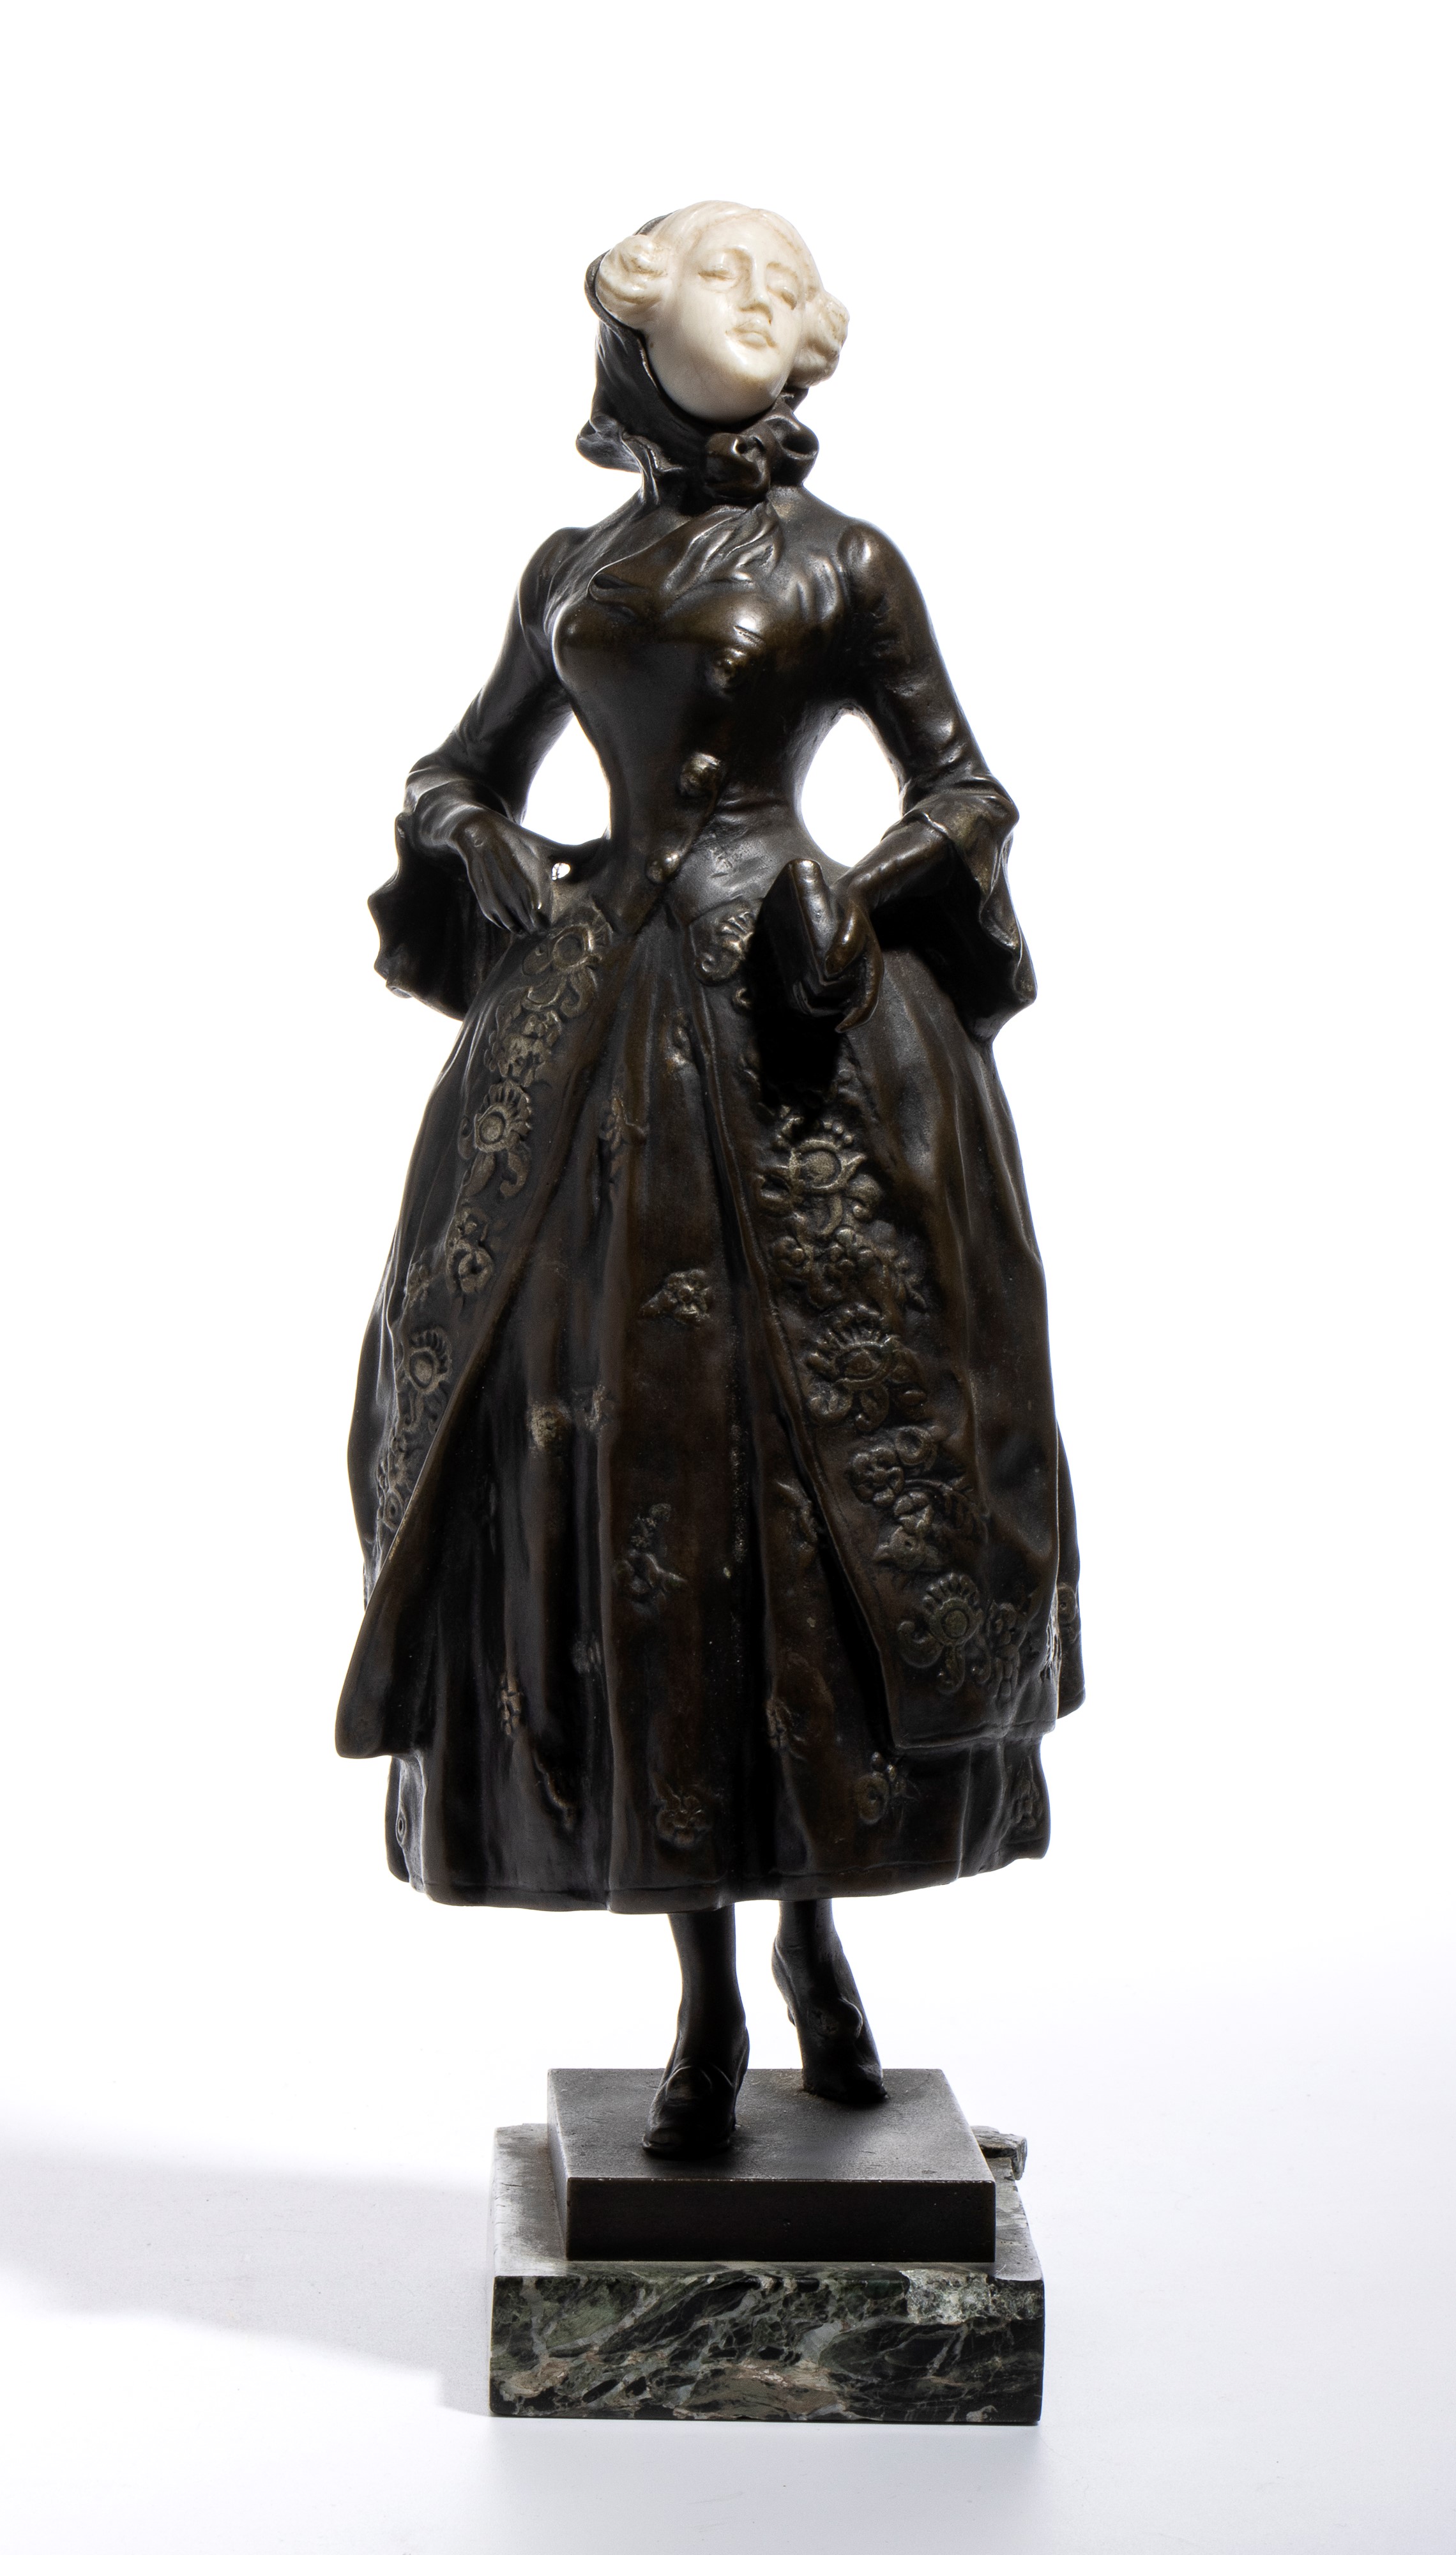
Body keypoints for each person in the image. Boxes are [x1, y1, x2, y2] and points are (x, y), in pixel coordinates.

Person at [337, 201, 1084, 2156]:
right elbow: (457, 767)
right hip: (603, 1032)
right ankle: (700, 1999)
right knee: (639, 1482)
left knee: (822, 1480)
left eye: (774, 286)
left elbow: (966, 786)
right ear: (636, 329)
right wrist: (481, 843)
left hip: (799, 1027)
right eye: (717, 282)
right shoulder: (575, 567)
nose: (755, 307)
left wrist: (864, 887)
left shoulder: (843, 561)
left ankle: (822, 1943)